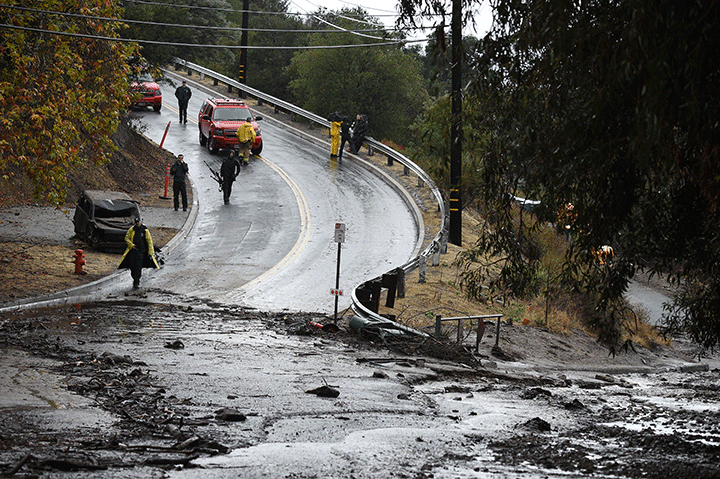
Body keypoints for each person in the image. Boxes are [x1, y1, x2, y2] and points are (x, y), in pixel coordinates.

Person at [118, 217, 159, 289]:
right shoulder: (132, 230)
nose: (137, 223)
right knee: (132, 266)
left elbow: (149, 241)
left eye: (138, 222)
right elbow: (126, 238)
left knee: (138, 266)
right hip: (133, 252)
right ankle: (134, 278)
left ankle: (136, 281)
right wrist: (131, 245)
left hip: (141, 252)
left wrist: (150, 252)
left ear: (141, 221)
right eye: (136, 222)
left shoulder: (144, 230)